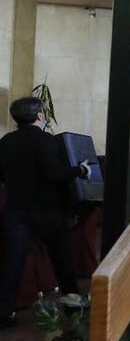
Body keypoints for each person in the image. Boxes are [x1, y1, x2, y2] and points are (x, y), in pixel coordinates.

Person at [0, 97, 91, 328]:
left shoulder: (5, 141)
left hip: (16, 211)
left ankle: (4, 312)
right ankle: (73, 305)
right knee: (62, 258)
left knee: (12, 263)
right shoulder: (46, 140)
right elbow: (53, 174)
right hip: (47, 211)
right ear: (40, 115)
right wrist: (80, 169)